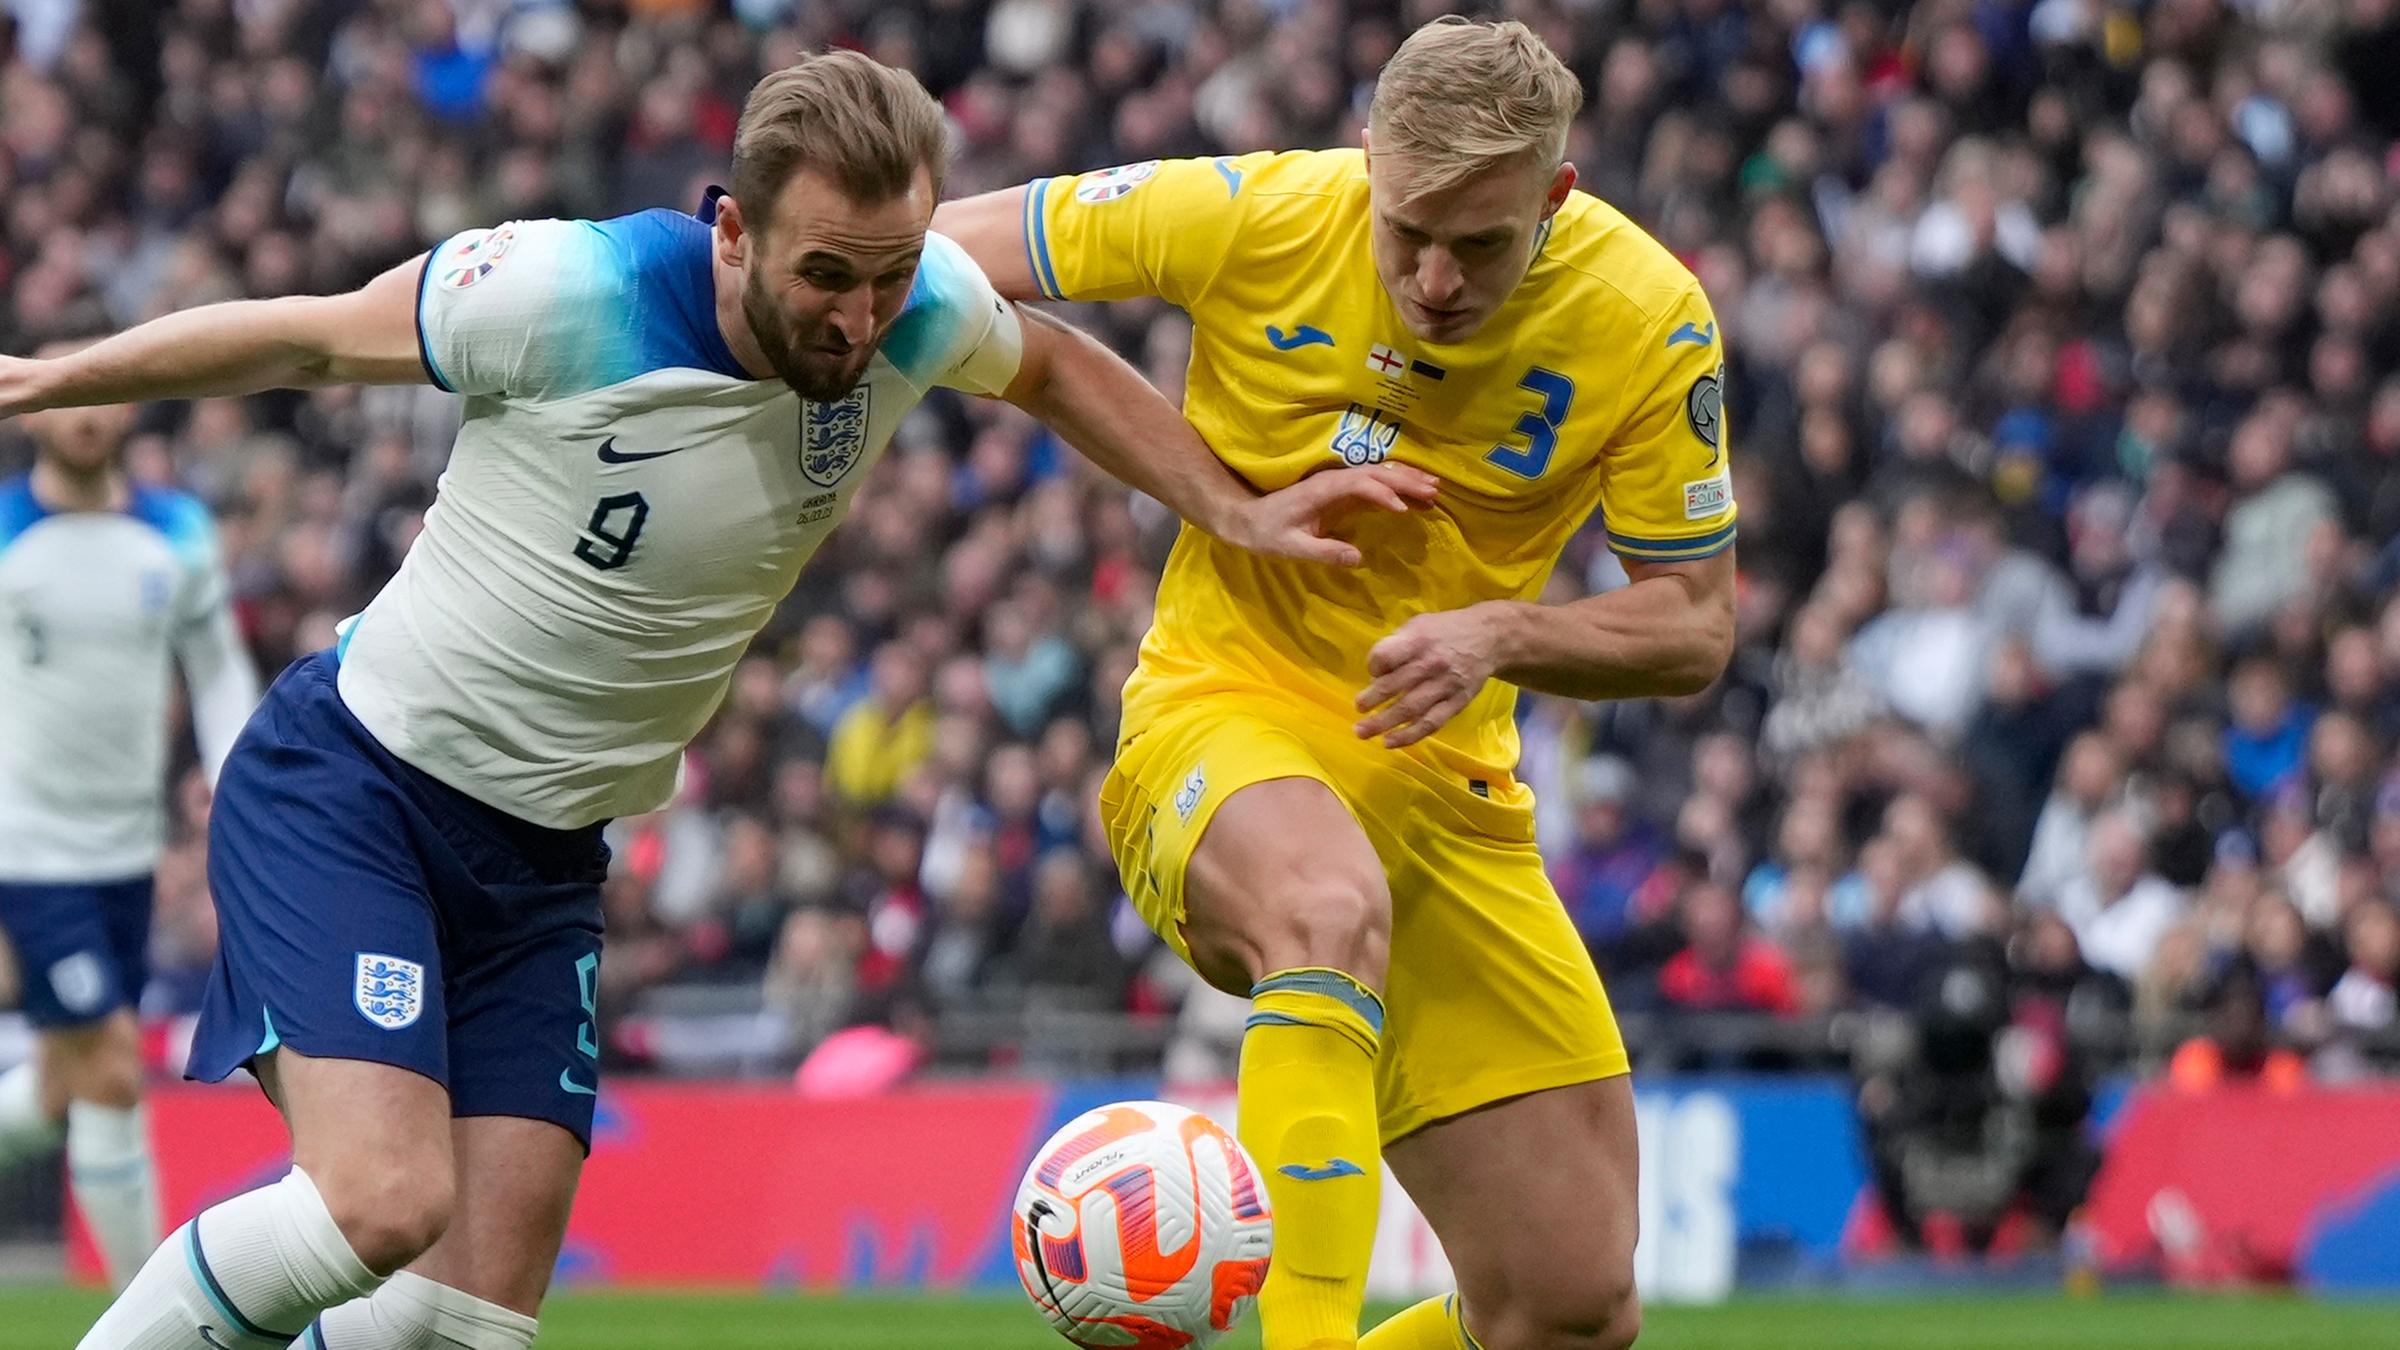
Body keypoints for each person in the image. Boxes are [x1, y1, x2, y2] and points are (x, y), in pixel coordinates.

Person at [1, 52, 1429, 1350]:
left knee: (459, 1328)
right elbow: (311, 338)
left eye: (890, 274)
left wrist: (1231, 509)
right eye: (827, 275)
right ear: (733, 231)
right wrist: (52, 381)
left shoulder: (922, 307)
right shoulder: (569, 293)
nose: (861, 317)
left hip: (544, 864)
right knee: (376, 1204)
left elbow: (1050, 362)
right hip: (361, 790)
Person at [938, 17, 1736, 1348]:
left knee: (1571, 1306)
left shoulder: (1648, 320)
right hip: (1223, 714)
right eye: (1405, 230)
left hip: (1445, 786)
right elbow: (931, 258)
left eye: (1479, 243)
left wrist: (1500, 634)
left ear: (1556, 195)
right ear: (1367, 160)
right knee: (1323, 902)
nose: (1434, 279)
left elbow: (1695, 626)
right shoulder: (1252, 211)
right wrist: (1216, 496)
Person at [0, 338, 261, 1290]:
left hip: (128, 848)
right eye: (65, 389)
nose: (85, 410)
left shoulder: (176, 532)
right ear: (32, 408)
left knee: (68, 1082)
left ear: (130, 400)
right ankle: (152, 1315)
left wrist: (232, 775)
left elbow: (218, 667)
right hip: (27, 842)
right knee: (112, 1062)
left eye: (102, 386)